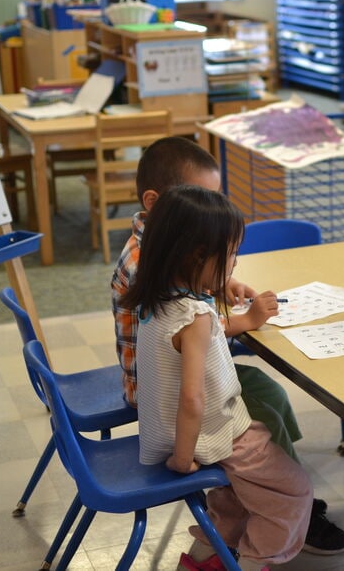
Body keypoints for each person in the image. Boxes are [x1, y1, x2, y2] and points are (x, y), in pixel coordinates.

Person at [110, 137, 344, 561]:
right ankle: (262, 529)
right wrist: (246, 319)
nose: (236, 262)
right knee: (278, 455)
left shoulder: (158, 261)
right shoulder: (163, 285)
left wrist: (218, 283)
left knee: (268, 396)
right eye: (227, 255)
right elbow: (192, 375)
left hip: (170, 393)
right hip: (172, 405)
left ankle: (229, 526)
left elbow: (184, 309)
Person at [120, 186, 313, 571]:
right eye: (232, 255)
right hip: (215, 435)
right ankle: (257, 560)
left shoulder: (155, 297)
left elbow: (198, 337)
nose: (236, 265)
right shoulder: (197, 316)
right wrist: (183, 458)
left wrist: (246, 320)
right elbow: (193, 399)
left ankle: (208, 556)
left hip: (164, 430)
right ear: (198, 257)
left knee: (238, 491)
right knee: (294, 491)